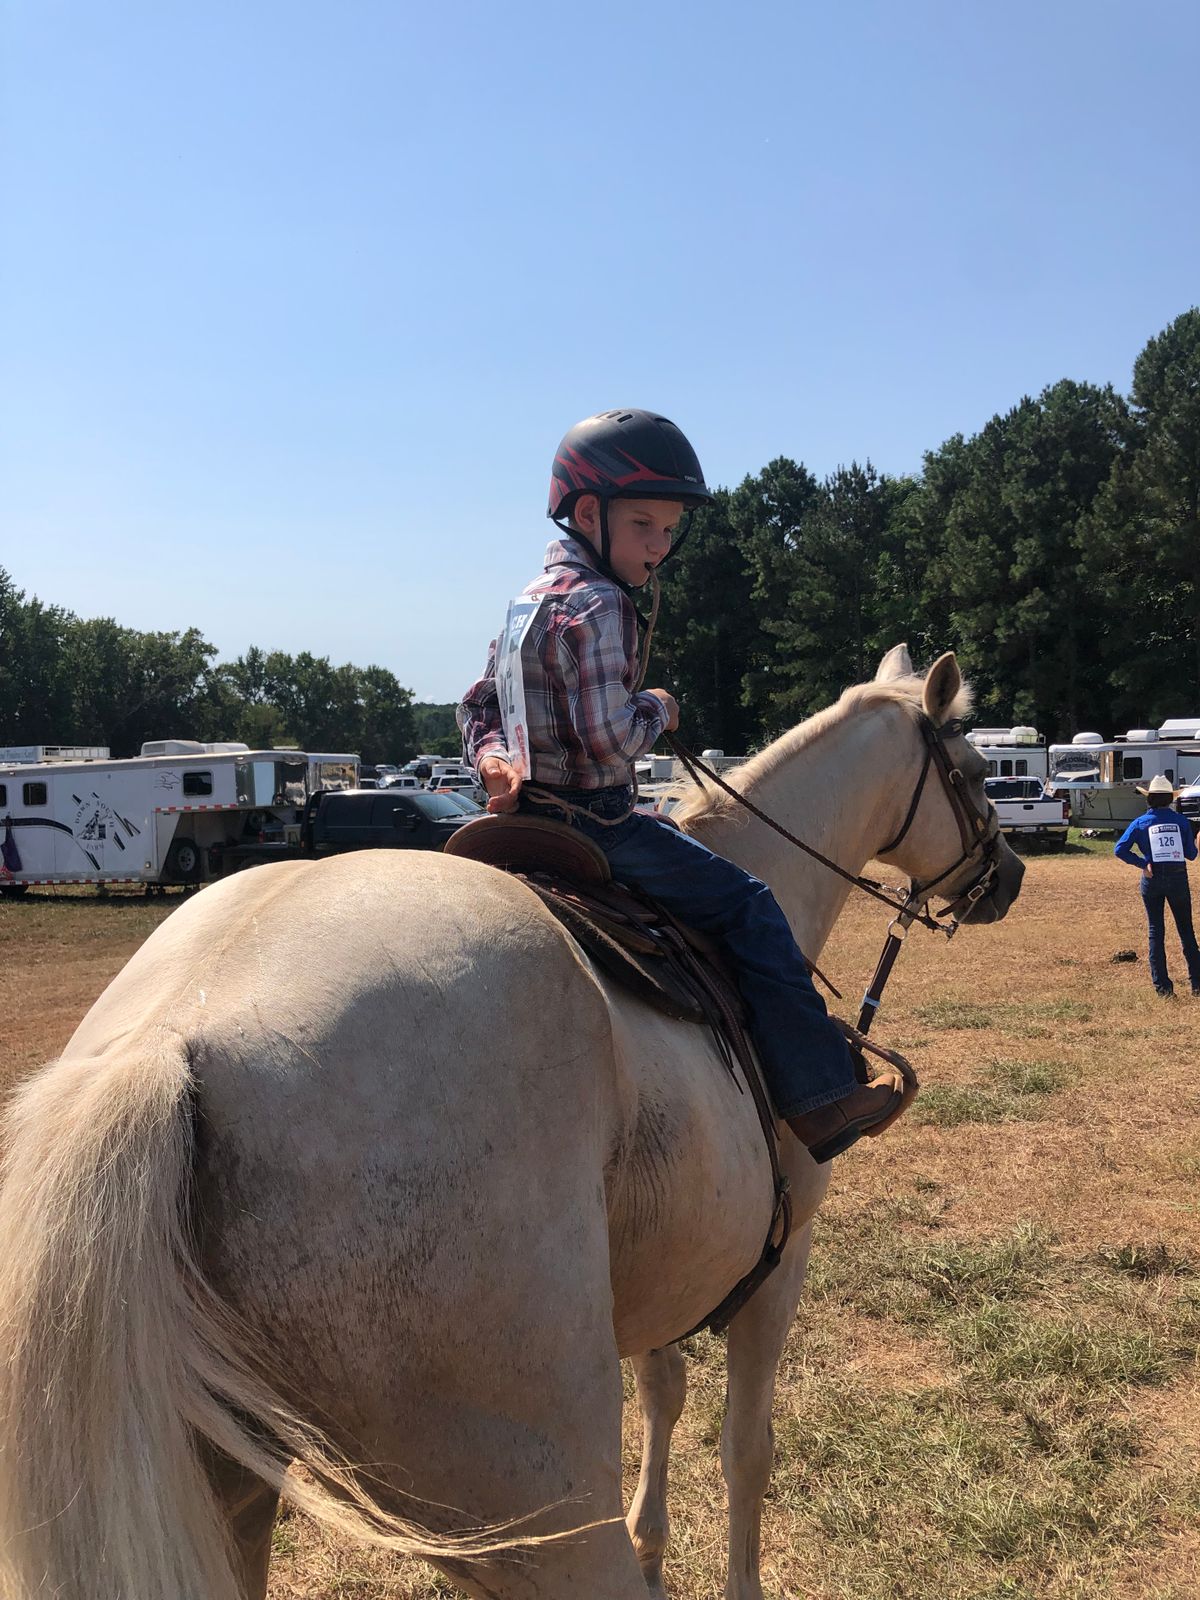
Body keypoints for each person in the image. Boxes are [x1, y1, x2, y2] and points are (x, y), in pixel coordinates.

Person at [457, 407, 907, 1162]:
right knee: (751, 906)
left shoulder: (524, 602)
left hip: (521, 814)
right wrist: (658, 707)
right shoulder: (601, 605)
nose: (659, 548)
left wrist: (493, 761)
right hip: (595, 822)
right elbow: (609, 738)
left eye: (668, 531)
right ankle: (822, 1095)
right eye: (644, 527)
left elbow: (475, 706)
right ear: (589, 514)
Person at [1114, 773, 1200, 997]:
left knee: (1156, 931)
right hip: (1177, 877)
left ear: (1149, 799)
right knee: (1186, 931)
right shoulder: (1181, 821)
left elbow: (1119, 849)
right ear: (1170, 799)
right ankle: (1197, 985)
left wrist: (1142, 863)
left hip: (1152, 879)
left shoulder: (1140, 822)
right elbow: (1191, 855)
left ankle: (1163, 988)